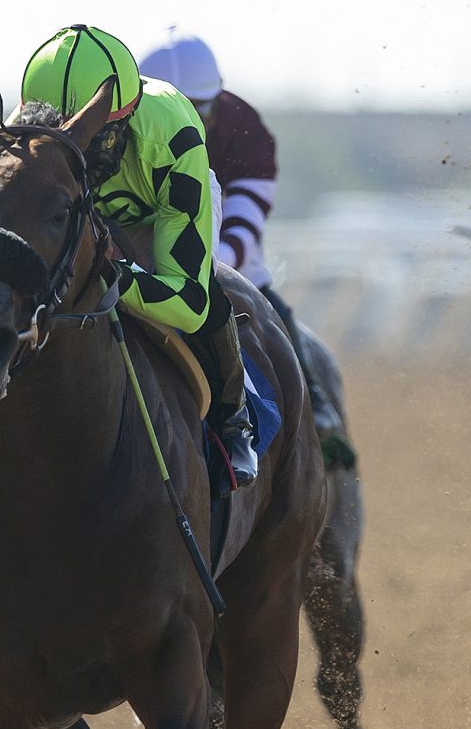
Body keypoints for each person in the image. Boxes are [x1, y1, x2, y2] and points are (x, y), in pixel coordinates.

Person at [0, 24, 258, 487]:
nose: (82, 145)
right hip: (70, 213)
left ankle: (233, 419)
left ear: (122, 121)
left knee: (203, 302)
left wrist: (113, 274)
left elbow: (187, 302)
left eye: (96, 136)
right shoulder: (25, 134)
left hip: (157, 211)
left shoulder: (174, 138)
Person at [138, 29, 354, 469]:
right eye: (173, 105)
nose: (189, 118)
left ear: (219, 99)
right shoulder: (120, 129)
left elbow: (242, 226)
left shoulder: (246, 131)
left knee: (275, 315)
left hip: (227, 263)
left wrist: (197, 272)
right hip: (142, 259)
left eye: (202, 108)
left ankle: (316, 411)